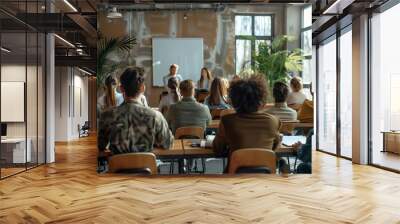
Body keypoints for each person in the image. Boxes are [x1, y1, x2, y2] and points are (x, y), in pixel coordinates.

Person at [98, 67, 173, 155]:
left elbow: (100, 146)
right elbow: (168, 144)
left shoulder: (107, 116)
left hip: (118, 168)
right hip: (147, 167)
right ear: (142, 88)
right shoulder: (156, 116)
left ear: (121, 88)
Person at [212, 75, 282, 169]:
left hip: (234, 177)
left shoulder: (227, 121)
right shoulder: (273, 121)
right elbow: (275, 146)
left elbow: (218, 150)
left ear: (234, 99)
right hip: (265, 176)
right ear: (261, 99)